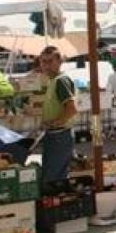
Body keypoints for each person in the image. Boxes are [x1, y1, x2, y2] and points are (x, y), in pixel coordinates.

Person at [39, 46, 77, 186]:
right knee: (52, 176)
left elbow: (71, 109)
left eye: (50, 61)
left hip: (60, 135)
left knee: (53, 180)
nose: (46, 65)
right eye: (43, 62)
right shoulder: (53, 80)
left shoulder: (61, 80)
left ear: (59, 62)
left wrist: (54, 123)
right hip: (55, 135)